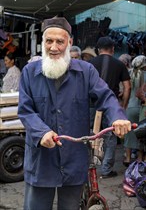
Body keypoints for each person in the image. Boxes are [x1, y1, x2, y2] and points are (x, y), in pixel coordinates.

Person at [18, 17, 131, 210]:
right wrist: (41, 132)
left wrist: (118, 117)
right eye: (49, 41)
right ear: (43, 42)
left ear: (69, 43)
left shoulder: (86, 71)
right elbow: (25, 111)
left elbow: (106, 96)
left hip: (73, 158)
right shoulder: (29, 72)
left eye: (60, 41)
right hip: (41, 158)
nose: (54, 47)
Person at [90, 37, 131, 178]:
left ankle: (90, 167)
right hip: (110, 106)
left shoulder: (89, 64)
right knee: (111, 138)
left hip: (91, 106)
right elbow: (127, 87)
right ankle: (106, 169)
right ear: (113, 49)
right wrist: (123, 107)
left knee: (90, 135)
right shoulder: (119, 65)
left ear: (98, 49)